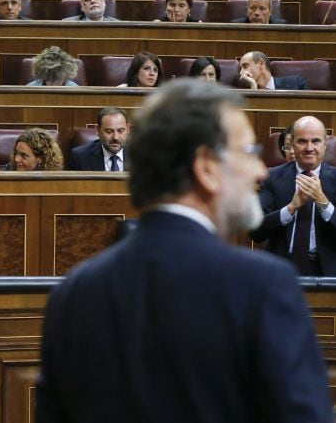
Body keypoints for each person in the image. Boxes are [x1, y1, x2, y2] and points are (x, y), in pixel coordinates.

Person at [36, 78, 332, 423]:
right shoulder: (262, 286)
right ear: (206, 167)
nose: (259, 171)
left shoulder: (73, 293)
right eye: (247, 153)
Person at [250, 115, 336, 276]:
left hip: (330, 273)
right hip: (281, 270)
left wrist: (323, 202)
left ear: (325, 145)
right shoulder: (272, 178)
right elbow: (256, 232)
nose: (309, 148)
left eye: (316, 141)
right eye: (302, 141)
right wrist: (290, 208)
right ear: (292, 145)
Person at [67, 107, 128, 171]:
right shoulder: (80, 157)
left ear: (128, 129)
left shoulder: (138, 155)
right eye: (109, 131)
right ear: (97, 130)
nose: (115, 137)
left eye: (120, 131)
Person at [238, 51, 308, 90]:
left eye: (245, 66)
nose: (241, 73)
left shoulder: (295, 83)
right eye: (240, 68)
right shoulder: (242, 91)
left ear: (261, 64)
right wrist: (253, 87)